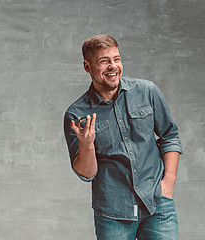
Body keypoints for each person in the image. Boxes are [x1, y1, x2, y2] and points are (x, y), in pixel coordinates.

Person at [63, 34, 183, 240]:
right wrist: (87, 145)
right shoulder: (77, 114)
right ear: (87, 66)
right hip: (112, 212)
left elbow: (169, 136)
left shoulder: (147, 91)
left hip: (157, 204)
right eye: (104, 61)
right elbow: (86, 174)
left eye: (116, 59)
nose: (113, 66)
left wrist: (168, 184)